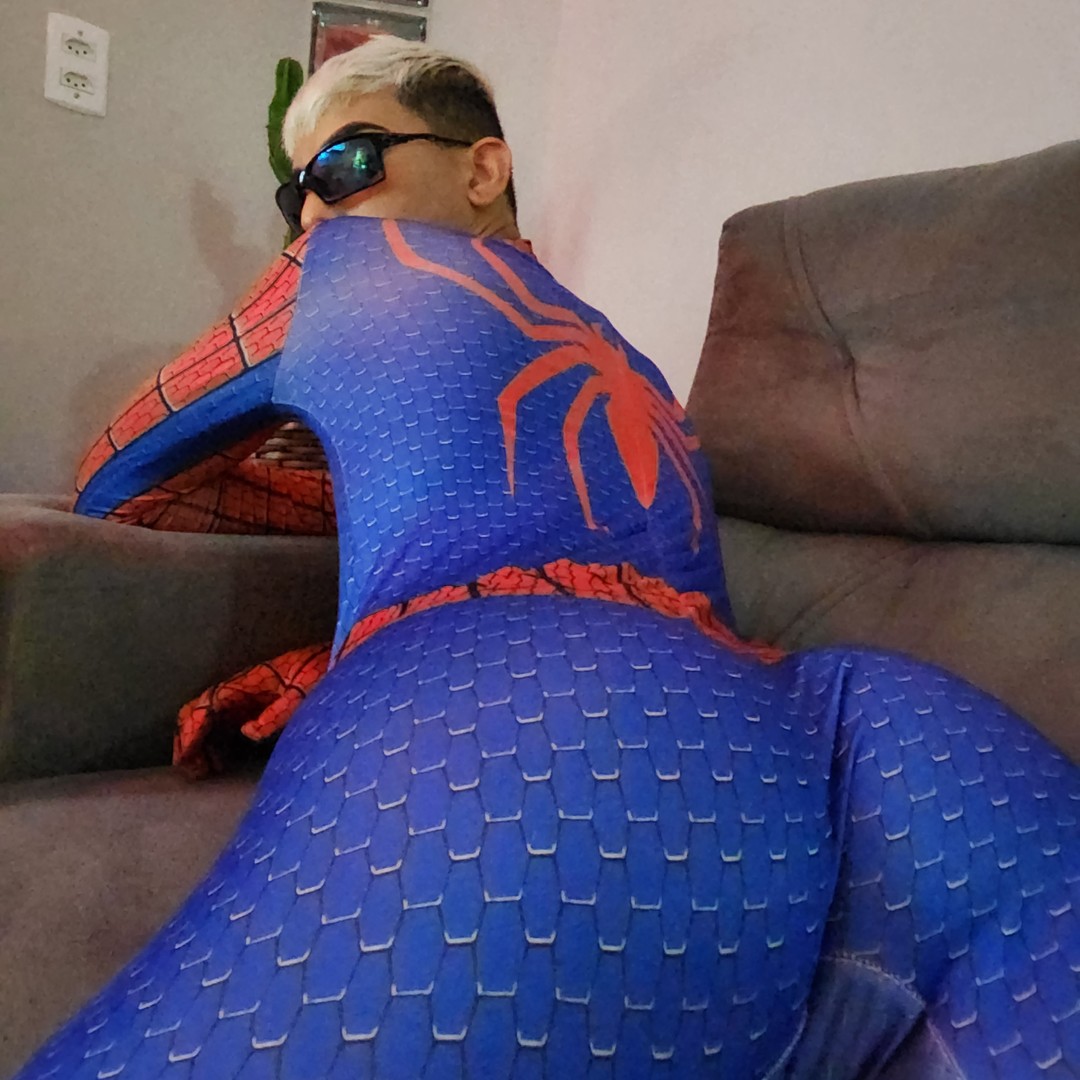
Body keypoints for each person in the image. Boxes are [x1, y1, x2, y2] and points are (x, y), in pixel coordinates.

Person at [17, 35, 1080, 1080]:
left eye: (344, 165)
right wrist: (371, 470)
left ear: (483, 167)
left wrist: (315, 467)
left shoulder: (352, 264)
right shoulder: (626, 354)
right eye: (296, 191)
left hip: (532, 719)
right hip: (869, 732)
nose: (310, 214)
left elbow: (124, 477)